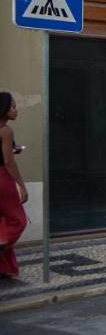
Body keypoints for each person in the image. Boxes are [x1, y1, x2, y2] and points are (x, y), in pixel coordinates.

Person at [0, 92, 28, 279]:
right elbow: (8, 161)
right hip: (2, 178)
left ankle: (4, 268)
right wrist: (21, 185)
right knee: (17, 221)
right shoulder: (5, 130)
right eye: (13, 106)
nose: (16, 110)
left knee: (2, 222)